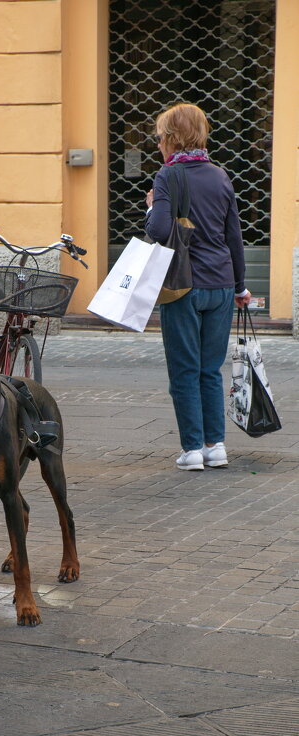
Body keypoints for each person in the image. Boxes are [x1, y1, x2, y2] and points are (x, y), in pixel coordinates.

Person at [145, 103, 251, 471]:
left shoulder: (167, 177)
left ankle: (191, 450)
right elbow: (234, 237)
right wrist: (240, 287)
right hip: (221, 284)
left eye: (160, 136)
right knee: (210, 369)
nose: (158, 143)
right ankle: (215, 446)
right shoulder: (220, 176)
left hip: (183, 285)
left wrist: (151, 207)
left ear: (171, 138)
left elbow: (158, 231)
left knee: (185, 370)